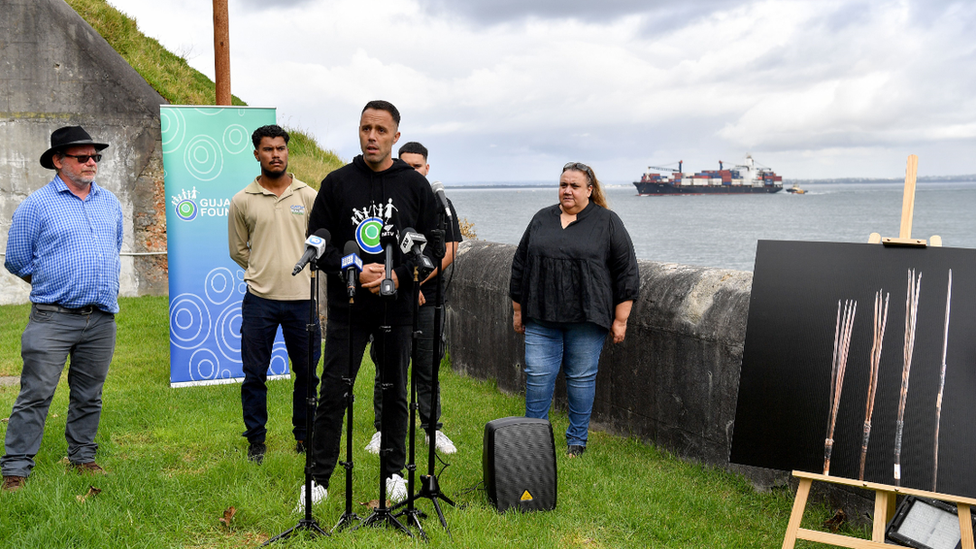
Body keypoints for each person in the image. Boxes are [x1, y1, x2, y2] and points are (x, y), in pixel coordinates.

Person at [303, 101, 438, 506]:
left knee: (395, 390)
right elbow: (318, 243)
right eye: (365, 128)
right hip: (349, 308)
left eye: (381, 130)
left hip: (398, 309)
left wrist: (398, 275)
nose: (372, 136)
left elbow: (430, 243)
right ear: (358, 131)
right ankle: (318, 478)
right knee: (333, 392)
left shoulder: (414, 185)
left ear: (396, 136)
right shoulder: (338, 183)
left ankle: (395, 471)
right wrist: (354, 274)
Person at [1, 126, 123, 492]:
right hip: (52, 317)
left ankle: (83, 457)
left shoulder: (110, 203)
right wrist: (56, 282)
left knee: (90, 393)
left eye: (95, 157)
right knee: (36, 393)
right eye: (81, 157)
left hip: (101, 318)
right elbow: (18, 260)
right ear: (58, 160)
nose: (91, 162)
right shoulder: (36, 205)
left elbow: (113, 247)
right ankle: (16, 469)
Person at [509, 162, 639, 457]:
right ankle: (534, 440)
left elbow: (626, 270)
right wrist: (518, 310)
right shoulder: (542, 219)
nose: (567, 190)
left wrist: (621, 319)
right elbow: (520, 265)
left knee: (580, 379)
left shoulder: (607, 221)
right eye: (563, 184)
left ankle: (577, 441)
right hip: (541, 316)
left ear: (590, 191)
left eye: (575, 186)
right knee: (538, 376)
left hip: (587, 318)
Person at [228, 125, 321, 464]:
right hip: (259, 301)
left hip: (302, 300)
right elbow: (238, 249)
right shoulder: (242, 200)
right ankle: (256, 440)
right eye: (268, 149)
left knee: (308, 374)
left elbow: (321, 243)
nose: (276, 155)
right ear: (257, 154)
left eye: (281, 148)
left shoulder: (308, 196)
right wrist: (264, 269)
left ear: (287, 151)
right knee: (255, 374)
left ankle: (305, 435)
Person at [365, 142, 461, 456]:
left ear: (426, 169)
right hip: (390, 299)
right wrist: (404, 285)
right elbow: (374, 252)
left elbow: (448, 252)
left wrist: (416, 280)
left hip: (428, 300)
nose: (411, 171)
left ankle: (432, 429)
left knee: (427, 366)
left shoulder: (440, 205)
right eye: (405, 165)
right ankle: (384, 429)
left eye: (417, 166)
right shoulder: (382, 203)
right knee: (388, 367)